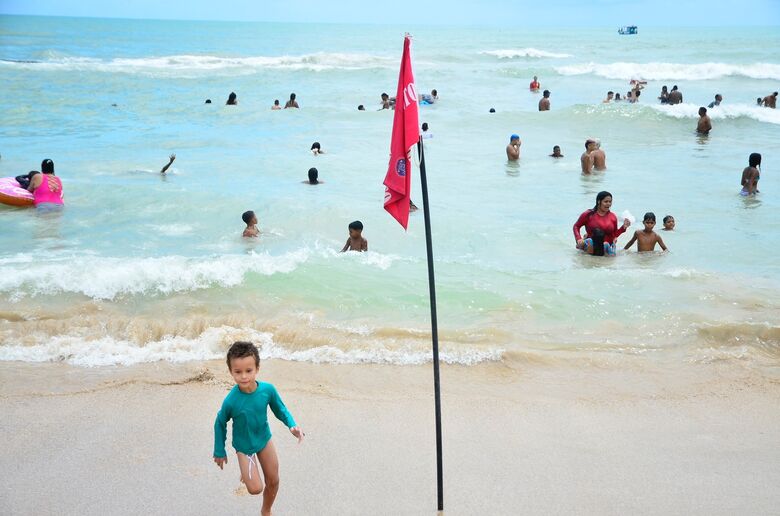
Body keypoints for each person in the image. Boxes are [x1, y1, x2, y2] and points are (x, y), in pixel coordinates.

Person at [213, 341, 304, 516]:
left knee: (274, 480)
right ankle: (246, 470)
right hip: (244, 446)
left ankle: (266, 510)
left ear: (257, 368)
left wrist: (292, 425)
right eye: (238, 372)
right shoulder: (231, 400)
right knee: (255, 488)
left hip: (263, 438)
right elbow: (220, 423)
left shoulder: (267, 390)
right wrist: (219, 450)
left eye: (249, 370)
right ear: (231, 371)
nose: (244, 376)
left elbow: (281, 409)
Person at [573, 191, 631, 256]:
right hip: (591, 247)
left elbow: (614, 235)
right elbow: (576, 226)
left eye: (610, 202)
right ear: (599, 201)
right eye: (606, 201)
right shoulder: (588, 214)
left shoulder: (613, 217)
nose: (608, 204)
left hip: (605, 249)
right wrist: (578, 238)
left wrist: (623, 228)